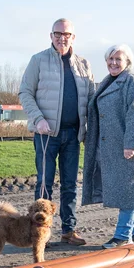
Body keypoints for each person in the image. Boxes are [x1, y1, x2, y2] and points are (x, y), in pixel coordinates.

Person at [19, 18, 95, 246]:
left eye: (67, 34)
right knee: (44, 183)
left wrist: (89, 128)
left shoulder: (83, 64)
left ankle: (69, 230)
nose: (62, 38)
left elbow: (91, 99)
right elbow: (25, 93)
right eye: (58, 33)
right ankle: (39, 233)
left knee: (71, 184)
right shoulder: (38, 60)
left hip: (73, 135)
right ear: (51, 35)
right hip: (46, 135)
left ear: (73, 37)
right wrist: (38, 119)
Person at [82, 44, 134, 248]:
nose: (113, 63)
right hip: (117, 146)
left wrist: (131, 144)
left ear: (127, 62)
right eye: (110, 59)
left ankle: (122, 236)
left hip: (131, 146)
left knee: (129, 190)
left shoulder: (132, 81)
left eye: (118, 59)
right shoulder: (109, 82)